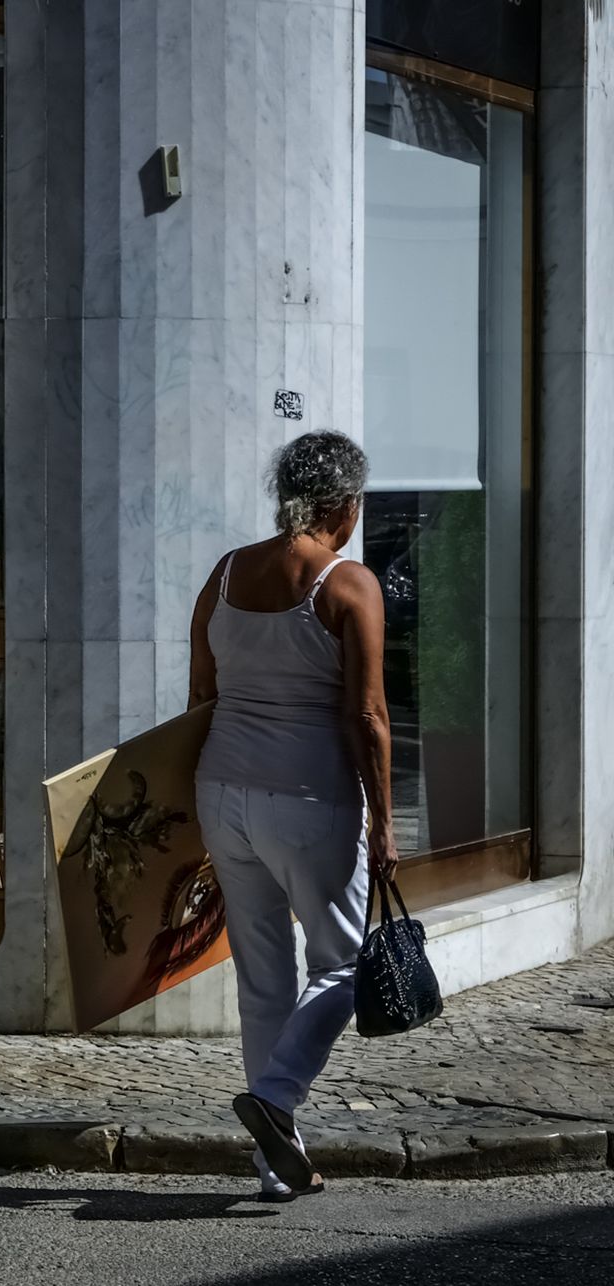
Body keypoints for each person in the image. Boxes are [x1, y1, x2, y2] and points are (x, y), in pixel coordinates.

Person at [188, 429, 396, 1202]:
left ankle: (277, 1165)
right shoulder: (349, 584)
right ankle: (277, 1097)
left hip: (222, 790)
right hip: (311, 799)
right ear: (344, 505)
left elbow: (200, 696)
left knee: (263, 980)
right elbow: (368, 716)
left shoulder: (226, 573)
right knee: (343, 965)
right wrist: (384, 822)